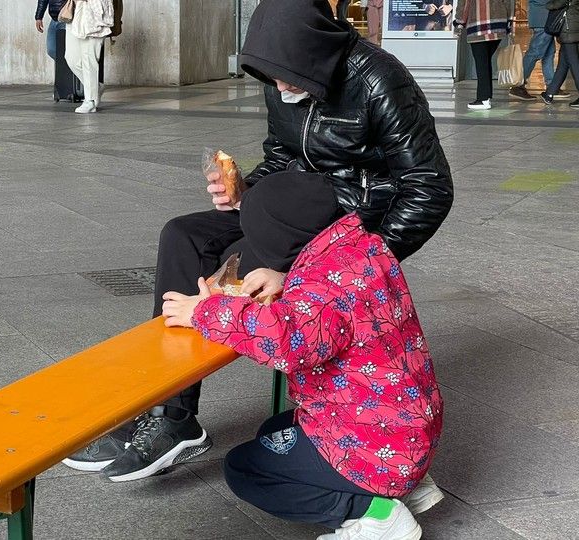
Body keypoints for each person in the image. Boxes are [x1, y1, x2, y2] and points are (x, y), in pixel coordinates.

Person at [61, 0, 453, 483]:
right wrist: (241, 189)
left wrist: (356, 269)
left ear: (314, 52)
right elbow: (282, 156)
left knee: (236, 269)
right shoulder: (280, 79)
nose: (282, 87)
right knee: (184, 236)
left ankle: (179, 409)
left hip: (346, 228)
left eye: (289, 76)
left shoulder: (379, 80)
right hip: (292, 208)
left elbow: (429, 188)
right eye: (271, 77)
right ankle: (172, 415)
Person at [161, 173, 444, 540]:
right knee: (273, 432)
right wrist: (285, 275)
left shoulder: (320, 292)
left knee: (245, 468)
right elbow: (331, 296)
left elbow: (284, 340)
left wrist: (204, 312)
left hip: (375, 441)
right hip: (407, 424)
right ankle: (407, 484)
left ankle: (374, 513)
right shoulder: (365, 249)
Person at [453, 0, 514, 110]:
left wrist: (459, 22)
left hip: (478, 25)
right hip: (498, 24)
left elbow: (463, 3)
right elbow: (508, 2)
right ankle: (486, 97)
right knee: (485, 62)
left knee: (482, 63)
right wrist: (509, 21)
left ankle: (483, 99)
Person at [509, 0, 573, 100]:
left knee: (549, 53)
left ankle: (552, 87)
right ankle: (518, 85)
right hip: (542, 18)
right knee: (535, 52)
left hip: (545, 18)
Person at [540, 0, 579, 108]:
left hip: (569, 25)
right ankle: (550, 93)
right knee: (564, 61)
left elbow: (560, 2)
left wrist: (549, 5)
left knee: (573, 61)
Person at [65, 0, 113, 113]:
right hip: (75, 15)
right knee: (71, 59)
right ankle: (96, 87)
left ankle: (90, 100)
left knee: (89, 60)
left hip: (94, 17)